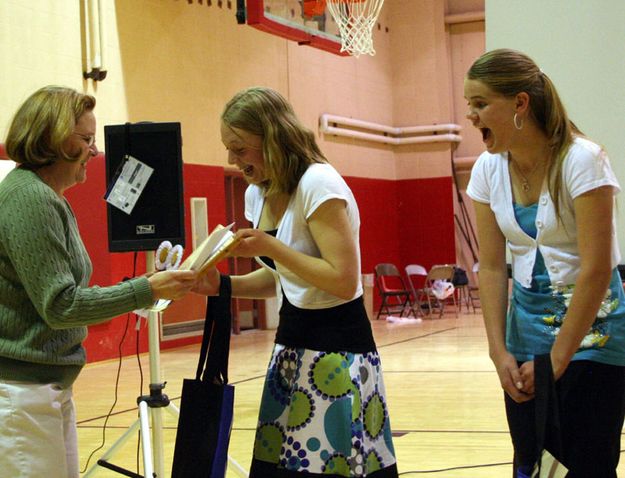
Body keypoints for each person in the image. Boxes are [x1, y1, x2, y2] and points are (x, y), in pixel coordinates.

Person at [194, 86, 398, 477]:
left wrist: (272, 245)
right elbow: (281, 279)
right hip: (291, 348)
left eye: (239, 148)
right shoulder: (258, 194)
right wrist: (222, 286)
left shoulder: (319, 183)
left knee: (333, 466)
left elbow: (342, 279)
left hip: (338, 350)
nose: (232, 160)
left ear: (270, 137)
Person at [0, 86, 198, 478]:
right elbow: (61, 306)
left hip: (42, 388)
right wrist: (148, 288)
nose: (95, 151)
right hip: (22, 392)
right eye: (86, 139)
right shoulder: (30, 198)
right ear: (54, 139)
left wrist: (145, 285)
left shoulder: (48, 197)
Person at [465, 49, 625, 477]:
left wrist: (558, 357)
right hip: (526, 338)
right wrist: (498, 352)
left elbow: (596, 269)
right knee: (535, 466)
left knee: (586, 466)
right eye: (469, 106)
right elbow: (494, 268)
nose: (471, 116)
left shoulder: (583, 159)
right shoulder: (486, 170)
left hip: (594, 337)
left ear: (520, 103)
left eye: (480, 104)